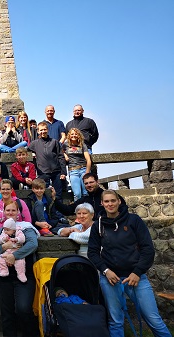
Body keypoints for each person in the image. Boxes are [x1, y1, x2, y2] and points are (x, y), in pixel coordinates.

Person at [88, 190, 171, 337]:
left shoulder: (134, 220)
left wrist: (137, 272)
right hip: (110, 278)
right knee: (115, 321)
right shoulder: (98, 225)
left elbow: (148, 249)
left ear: (119, 201)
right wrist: (105, 270)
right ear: (102, 203)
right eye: (106, 201)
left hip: (136, 277)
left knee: (153, 319)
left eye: (113, 200)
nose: (110, 204)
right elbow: (93, 252)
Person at [0, 200, 40, 337]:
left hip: (24, 275)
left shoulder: (26, 228)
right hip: (3, 277)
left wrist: (15, 256)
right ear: (3, 212)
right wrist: (4, 248)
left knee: (23, 309)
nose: (10, 213)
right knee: (7, 312)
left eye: (13, 210)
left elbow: (32, 245)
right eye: (8, 210)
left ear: (18, 212)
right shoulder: (0, 231)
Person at [52, 172, 126, 220]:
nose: (89, 185)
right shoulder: (84, 200)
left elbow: (123, 208)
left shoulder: (109, 196)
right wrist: (54, 199)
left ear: (97, 182)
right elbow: (67, 210)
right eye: (86, 183)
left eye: (91, 182)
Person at [27, 121, 67, 200]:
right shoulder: (34, 143)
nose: (43, 132)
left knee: (58, 195)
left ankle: (58, 212)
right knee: (43, 195)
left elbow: (61, 156)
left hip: (56, 172)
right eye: (41, 130)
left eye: (44, 129)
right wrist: (31, 154)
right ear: (38, 131)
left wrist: (63, 172)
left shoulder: (54, 142)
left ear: (47, 130)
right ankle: (47, 212)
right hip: (43, 172)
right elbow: (26, 151)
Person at [62, 127, 92, 201]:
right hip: (73, 171)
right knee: (77, 193)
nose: (74, 135)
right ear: (69, 135)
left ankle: (88, 210)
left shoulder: (82, 145)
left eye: (76, 134)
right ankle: (78, 211)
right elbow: (59, 151)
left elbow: (88, 159)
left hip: (83, 169)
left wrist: (87, 173)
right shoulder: (66, 144)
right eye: (72, 134)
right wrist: (65, 155)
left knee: (85, 192)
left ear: (79, 135)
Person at [0, 218, 27, 283]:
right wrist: (3, 239)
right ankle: (4, 270)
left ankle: (21, 274)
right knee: (0, 258)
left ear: (13, 230)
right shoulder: (4, 233)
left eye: (7, 230)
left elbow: (22, 239)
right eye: (4, 229)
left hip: (17, 251)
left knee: (20, 262)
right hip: (7, 251)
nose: (5, 231)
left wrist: (17, 239)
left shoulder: (18, 232)